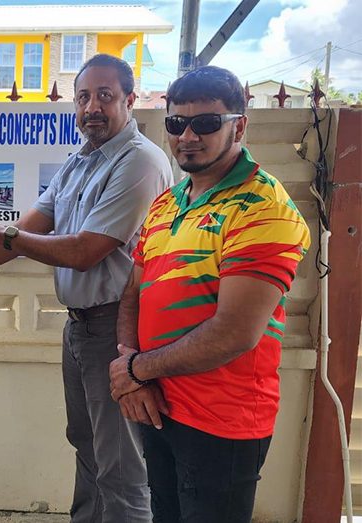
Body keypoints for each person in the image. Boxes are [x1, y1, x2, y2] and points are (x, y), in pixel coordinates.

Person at [0, 54, 173, 522]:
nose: (92, 107)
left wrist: (2, 234)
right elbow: (27, 233)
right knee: (86, 446)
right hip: (80, 328)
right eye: (83, 97)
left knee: (121, 465)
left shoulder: (140, 161)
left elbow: (85, 251)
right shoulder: (78, 163)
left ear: (130, 99)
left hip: (115, 329)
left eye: (105, 95)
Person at [108, 66, 311, 523]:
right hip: (158, 403)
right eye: (177, 123)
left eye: (206, 123)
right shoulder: (167, 202)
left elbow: (234, 334)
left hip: (223, 419)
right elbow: (133, 292)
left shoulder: (263, 207)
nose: (188, 136)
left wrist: (135, 368)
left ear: (239, 125)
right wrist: (132, 369)